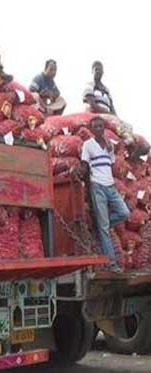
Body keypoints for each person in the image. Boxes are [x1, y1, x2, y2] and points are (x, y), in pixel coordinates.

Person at [80, 116, 130, 273]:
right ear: (91, 129)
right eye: (96, 127)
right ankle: (112, 263)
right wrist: (79, 173)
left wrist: (110, 150)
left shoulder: (109, 145)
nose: (99, 129)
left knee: (124, 213)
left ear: (104, 128)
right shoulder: (88, 145)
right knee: (104, 228)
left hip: (111, 186)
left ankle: (102, 224)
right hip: (98, 187)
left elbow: (111, 163)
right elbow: (84, 165)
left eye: (101, 127)